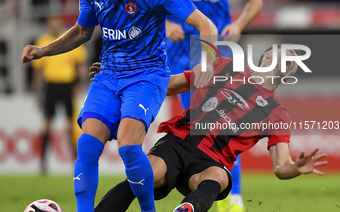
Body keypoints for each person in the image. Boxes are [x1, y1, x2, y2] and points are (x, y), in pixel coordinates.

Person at [21, 0, 217, 212]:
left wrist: (207, 62)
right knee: (87, 144)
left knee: (128, 145)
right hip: (109, 74)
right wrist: (44, 50)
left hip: (146, 75)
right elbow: (83, 32)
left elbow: (206, 25)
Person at [91, 44, 328, 212]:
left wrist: (295, 168)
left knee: (218, 177)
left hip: (213, 161)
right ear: (266, 55)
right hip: (181, 142)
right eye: (286, 54)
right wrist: (119, 78)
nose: (291, 61)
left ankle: (186, 209)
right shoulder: (224, 67)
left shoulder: (279, 115)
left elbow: (281, 166)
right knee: (146, 175)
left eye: (295, 61)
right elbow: (170, 86)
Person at [149, 0, 264, 211]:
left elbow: (255, 0)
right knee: (194, 130)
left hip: (217, 56)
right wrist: (166, 24)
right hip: (180, 61)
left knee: (226, 128)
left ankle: (233, 198)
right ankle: (202, 190)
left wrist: (239, 24)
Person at [32, 15, 87, 174]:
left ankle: (75, 162)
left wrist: (78, 85)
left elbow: (80, 65)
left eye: (56, 23)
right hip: (51, 86)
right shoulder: (43, 41)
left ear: (60, 24)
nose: (54, 26)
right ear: (49, 25)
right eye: (51, 23)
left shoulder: (68, 39)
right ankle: (43, 162)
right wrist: (37, 92)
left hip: (67, 86)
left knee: (71, 125)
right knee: (47, 125)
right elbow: (38, 70)